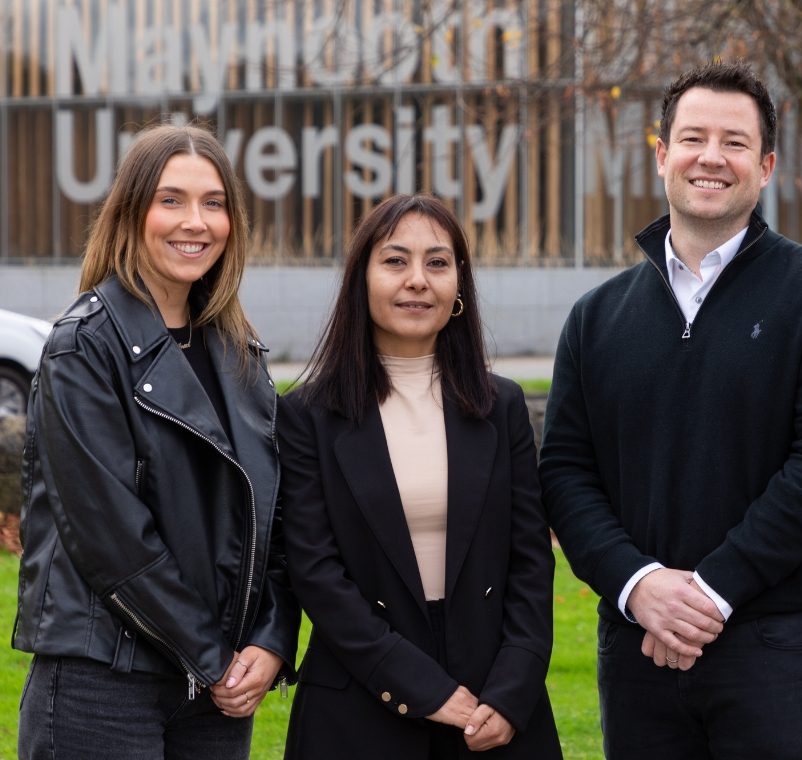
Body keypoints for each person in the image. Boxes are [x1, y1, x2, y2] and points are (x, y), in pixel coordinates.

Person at [539, 61, 802, 759]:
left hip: (781, 654)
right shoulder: (596, 317)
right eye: (693, 138)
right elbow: (565, 474)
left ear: (765, 167)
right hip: (638, 654)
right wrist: (639, 588)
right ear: (663, 155)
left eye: (734, 143)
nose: (711, 157)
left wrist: (708, 594)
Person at [14, 123, 300, 758]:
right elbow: (112, 538)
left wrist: (272, 640)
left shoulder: (239, 353)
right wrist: (212, 655)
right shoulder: (83, 347)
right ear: (132, 211)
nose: (194, 221)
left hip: (214, 691)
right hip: (102, 682)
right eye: (171, 199)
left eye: (214, 202)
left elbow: (275, 515)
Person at [278, 193, 562, 759]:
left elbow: (530, 559)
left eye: (437, 262)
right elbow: (315, 572)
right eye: (394, 261)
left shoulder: (499, 405)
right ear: (361, 279)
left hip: (492, 707)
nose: (417, 280)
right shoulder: (309, 414)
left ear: (459, 286)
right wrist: (425, 690)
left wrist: (513, 691)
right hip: (359, 702)